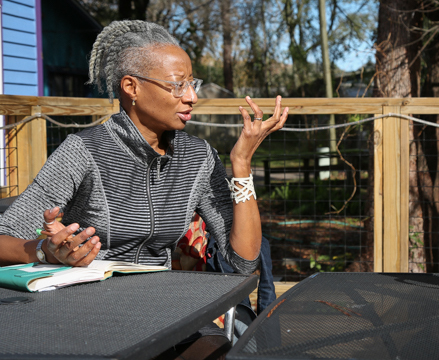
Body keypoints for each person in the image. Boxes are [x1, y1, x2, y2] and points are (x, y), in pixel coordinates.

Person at [0, 20, 288, 357]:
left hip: (163, 312)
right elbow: (5, 238)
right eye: (177, 85)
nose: (192, 97)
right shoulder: (83, 151)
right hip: (81, 315)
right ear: (131, 87)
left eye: (192, 84)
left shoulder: (198, 158)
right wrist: (44, 251)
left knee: (216, 351)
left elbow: (243, 262)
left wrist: (241, 165)